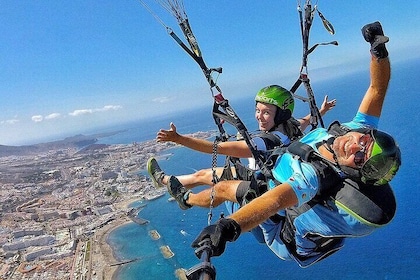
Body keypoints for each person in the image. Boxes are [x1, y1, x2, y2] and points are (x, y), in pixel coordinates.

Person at [188, 21, 401, 267]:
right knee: (225, 178)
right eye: (363, 140)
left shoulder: (313, 176)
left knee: (226, 187)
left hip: (281, 233)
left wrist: (228, 227)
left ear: (355, 171)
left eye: (360, 158)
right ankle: (191, 195)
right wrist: (378, 51)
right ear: (365, 132)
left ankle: (187, 200)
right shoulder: (352, 130)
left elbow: (275, 201)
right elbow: (377, 89)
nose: (353, 145)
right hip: (277, 176)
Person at [148, 87, 336, 209]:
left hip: (257, 182)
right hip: (261, 174)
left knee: (215, 185)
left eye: (266, 113)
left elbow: (216, 148)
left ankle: (186, 199)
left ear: (280, 115)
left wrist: (178, 139)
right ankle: (163, 180)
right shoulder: (290, 126)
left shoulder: (264, 142)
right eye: (257, 110)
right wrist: (322, 111)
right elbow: (306, 121)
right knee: (203, 175)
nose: (259, 116)